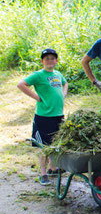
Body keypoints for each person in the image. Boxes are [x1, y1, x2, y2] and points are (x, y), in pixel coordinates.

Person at [17, 49, 68, 185]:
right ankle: (43, 172)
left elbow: (65, 83)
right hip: (44, 116)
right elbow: (21, 84)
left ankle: (53, 168)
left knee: (55, 143)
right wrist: (36, 97)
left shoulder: (57, 74)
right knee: (43, 146)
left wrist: (64, 93)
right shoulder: (39, 75)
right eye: (47, 59)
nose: (50, 61)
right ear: (42, 61)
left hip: (58, 115)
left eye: (52, 58)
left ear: (56, 61)